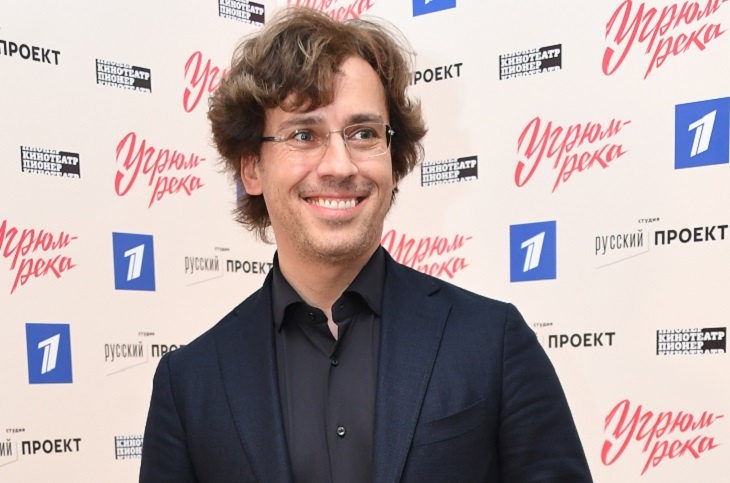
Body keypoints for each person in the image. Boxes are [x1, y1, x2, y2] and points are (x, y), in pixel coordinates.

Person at [140, 7, 592, 483]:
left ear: (393, 161)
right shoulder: (190, 384)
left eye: (363, 134)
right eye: (303, 135)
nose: (339, 165)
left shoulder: (492, 341)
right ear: (252, 168)